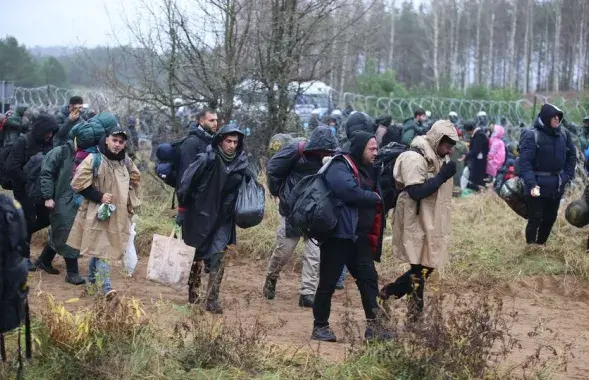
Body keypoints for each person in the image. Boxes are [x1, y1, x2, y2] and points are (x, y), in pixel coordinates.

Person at [312, 131, 391, 343]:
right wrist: (373, 197)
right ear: (359, 149)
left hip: (360, 237)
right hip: (338, 237)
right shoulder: (340, 165)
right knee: (327, 283)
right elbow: (348, 191)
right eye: (371, 149)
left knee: (369, 281)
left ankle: (375, 328)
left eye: (377, 148)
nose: (376, 152)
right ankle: (320, 326)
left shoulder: (369, 169)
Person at [379, 120, 458, 322]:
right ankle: (413, 313)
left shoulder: (435, 156)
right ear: (438, 140)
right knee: (420, 267)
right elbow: (416, 192)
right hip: (413, 218)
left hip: (429, 218)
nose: (449, 151)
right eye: (447, 146)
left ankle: (392, 294)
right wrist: (442, 176)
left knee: (426, 265)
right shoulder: (413, 158)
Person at [177, 124, 252, 313]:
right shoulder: (206, 159)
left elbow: (248, 190)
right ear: (220, 141)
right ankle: (193, 293)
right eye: (229, 141)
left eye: (236, 142)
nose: (232, 145)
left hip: (224, 219)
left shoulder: (241, 164)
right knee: (197, 256)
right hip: (199, 215)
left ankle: (212, 298)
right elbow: (186, 185)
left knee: (219, 256)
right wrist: (182, 210)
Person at [264, 126, 338, 307]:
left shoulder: (333, 157)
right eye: (324, 150)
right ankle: (271, 277)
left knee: (315, 253)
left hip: (317, 211)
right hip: (293, 209)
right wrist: (279, 193)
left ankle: (307, 293)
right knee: (284, 251)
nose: (326, 153)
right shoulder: (296, 149)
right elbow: (273, 169)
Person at [67, 130, 141, 299]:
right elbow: (77, 184)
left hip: (118, 214)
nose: (117, 144)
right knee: (103, 248)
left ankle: (91, 285)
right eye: (114, 140)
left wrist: (128, 198)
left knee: (100, 248)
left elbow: (136, 179)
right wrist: (99, 196)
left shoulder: (126, 162)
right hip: (96, 213)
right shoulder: (94, 159)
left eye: (121, 142)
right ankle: (106, 288)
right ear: (107, 140)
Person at [4, 114, 58, 269]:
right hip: (22, 189)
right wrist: (26, 181)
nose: (50, 135)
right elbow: (11, 167)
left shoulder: (48, 143)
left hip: (39, 190)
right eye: (48, 132)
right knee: (28, 219)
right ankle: (24, 258)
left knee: (45, 218)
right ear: (40, 130)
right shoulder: (23, 142)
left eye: (51, 133)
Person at [519, 103, 576, 246]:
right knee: (535, 217)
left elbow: (571, 156)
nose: (557, 119)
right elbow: (525, 163)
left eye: (559, 116)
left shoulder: (564, 134)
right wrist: (532, 184)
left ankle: (541, 244)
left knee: (550, 217)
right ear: (546, 117)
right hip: (536, 184)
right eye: (554, 116)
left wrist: (566, 176)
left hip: (556, 184)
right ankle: (531, 246)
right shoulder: (531, 135)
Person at [37, 135, 86, 285]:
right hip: (60, 198)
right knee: (67, 230)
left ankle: (44, 260)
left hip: (74, 198)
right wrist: (47, 196)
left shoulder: (86, 154)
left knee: (60, 230)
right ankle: (72, 273)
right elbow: (46, 173)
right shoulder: (61, 152)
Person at [175, 109, 218, 190]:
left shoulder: (215, 140)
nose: (215, 123)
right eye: (212, 120)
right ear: (202, 122)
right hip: (193, 196)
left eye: (216, 120)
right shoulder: (191, 142)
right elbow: (184, 174)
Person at [463, 120, 489, 191]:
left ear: (469, 130)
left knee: (477, 180)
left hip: (479, 162)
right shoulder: (477, 134)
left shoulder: (479, 135)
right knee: (475, 179)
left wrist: (466, 155)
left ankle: (481, 191)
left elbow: (476, 150)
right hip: (478, 161)